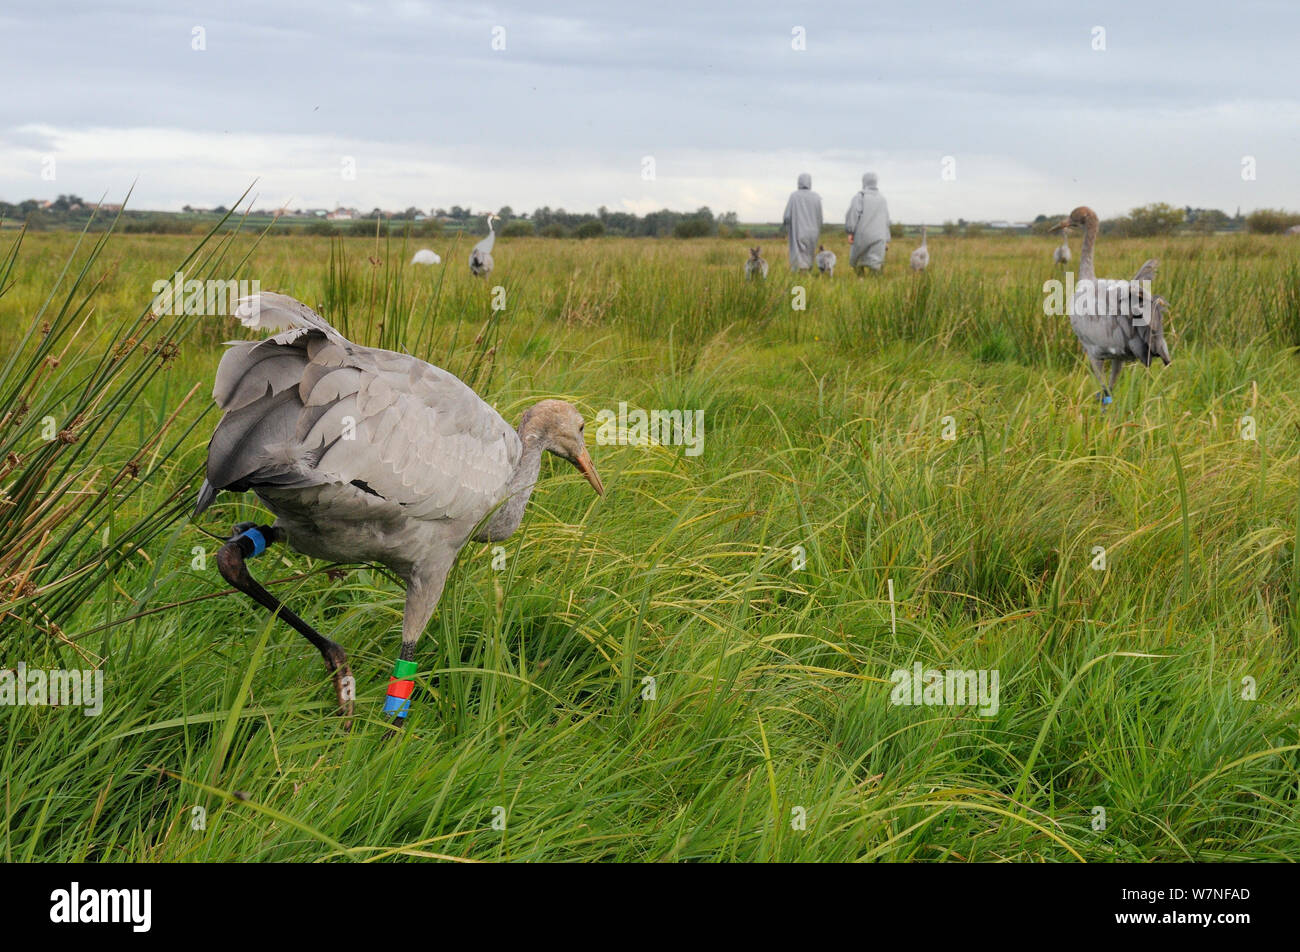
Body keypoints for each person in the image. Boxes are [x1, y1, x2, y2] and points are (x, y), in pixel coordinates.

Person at [845, 172, 891, 275]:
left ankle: (861, 280)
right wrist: (886, 239)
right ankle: (873, 285)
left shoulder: (860, 197)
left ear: (864, 181)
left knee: (857, 261)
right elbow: (886, 220)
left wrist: (850, 232)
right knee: (875, 263)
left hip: (862, 235)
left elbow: (853, 214)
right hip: (879, 236)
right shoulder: (882, 199)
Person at [782, 173, 823, 271]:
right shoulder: (817, 197)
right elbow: (820, 217)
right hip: (813, 232)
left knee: (798, 253)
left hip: (798, 230)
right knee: (810, 253)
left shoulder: (794, 196)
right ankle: (808, 271)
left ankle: (800, 274)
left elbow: (787, 216)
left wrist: (787, 226)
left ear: (799, 182)